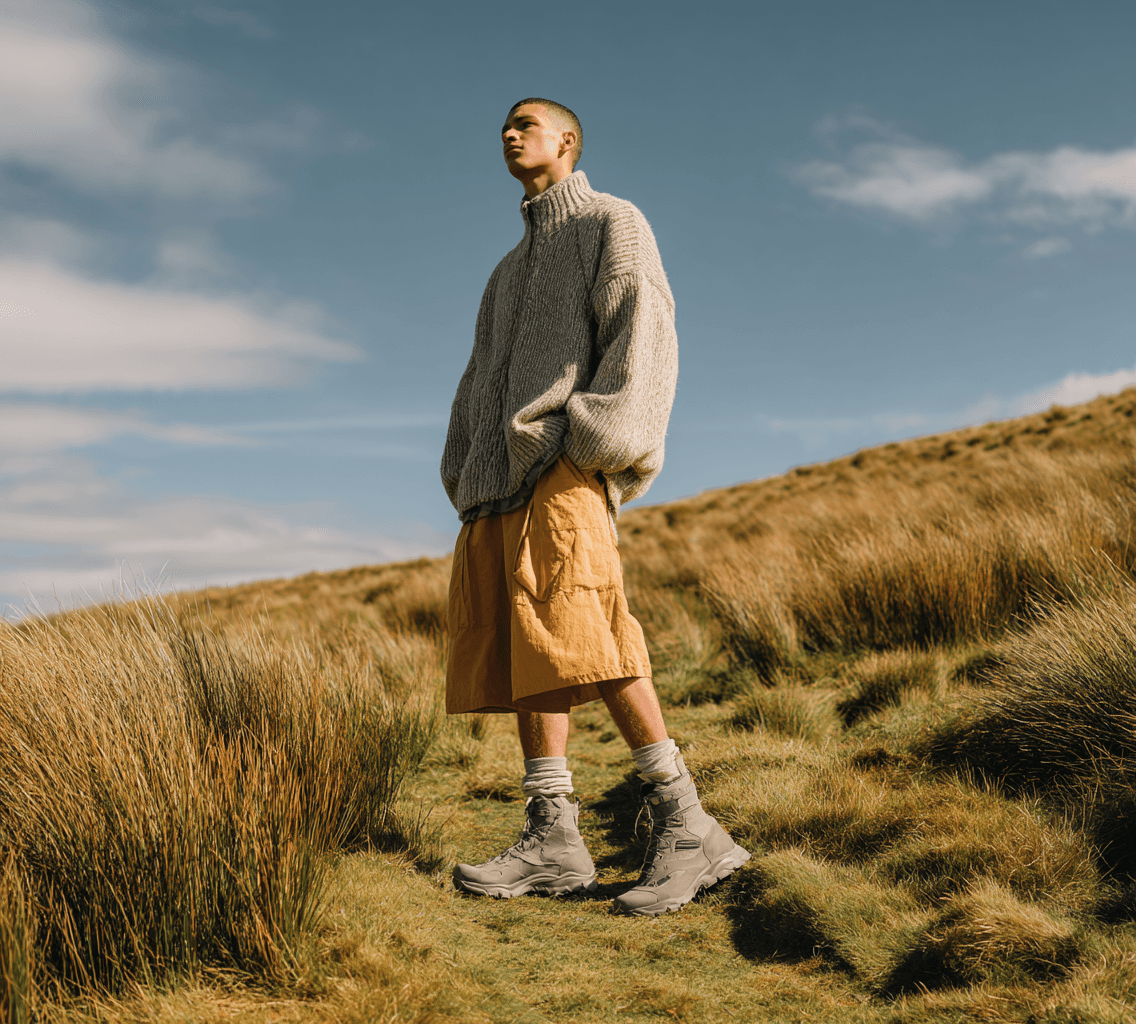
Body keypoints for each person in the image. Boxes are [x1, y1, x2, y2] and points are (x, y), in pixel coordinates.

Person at [440, 97, 749, 916]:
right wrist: (465, 465)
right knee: (528, 643)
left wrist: (593, 440)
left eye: (527, 124)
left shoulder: (614, 223)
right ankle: (554, 839)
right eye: (504, 127)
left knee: (588, 628)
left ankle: (688, 824)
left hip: (567, 464)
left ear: (567, 143)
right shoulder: (505, 273)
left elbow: (645, 332)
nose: (510, 134)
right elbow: (478, 381)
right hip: (499, 482)